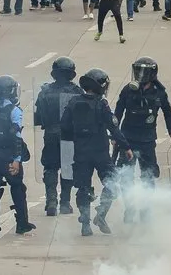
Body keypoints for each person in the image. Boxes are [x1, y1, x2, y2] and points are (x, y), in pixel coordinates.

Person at [60, 68, 133, 236]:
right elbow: (114, 128)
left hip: (81, 153)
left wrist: (76, 139)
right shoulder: (102, 104)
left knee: (83, 188)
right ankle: (100, 214)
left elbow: (64, 127)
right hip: (100, 153)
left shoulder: (72, 103)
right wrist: (126, 146)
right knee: (112, 182)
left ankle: (85, 223)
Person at [114, 58, 171, 223]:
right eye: (138, 71)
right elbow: (118, 112)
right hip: (127, 140)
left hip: (147, 141)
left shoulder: (159, 93)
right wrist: (115, 136)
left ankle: (146, 209)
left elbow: (168, 112)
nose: (141, 75)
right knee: (125, 177)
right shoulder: (128, 90)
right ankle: (130, 207)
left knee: (148, 177)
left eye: (145, 72)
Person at [0, 76, 36, 237]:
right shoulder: (14, 111)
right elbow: (17, 137)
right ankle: (22, 223)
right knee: (17, 188)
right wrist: (17, 160)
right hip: (9, 156)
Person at [34, 57, 84, 216]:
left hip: (50, 133)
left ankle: (51, 201)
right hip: (69, 135)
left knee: (50, 167)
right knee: (68, 168)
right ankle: (65, 202)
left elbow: (38, 117)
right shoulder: (77, 92)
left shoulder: (45, 92)